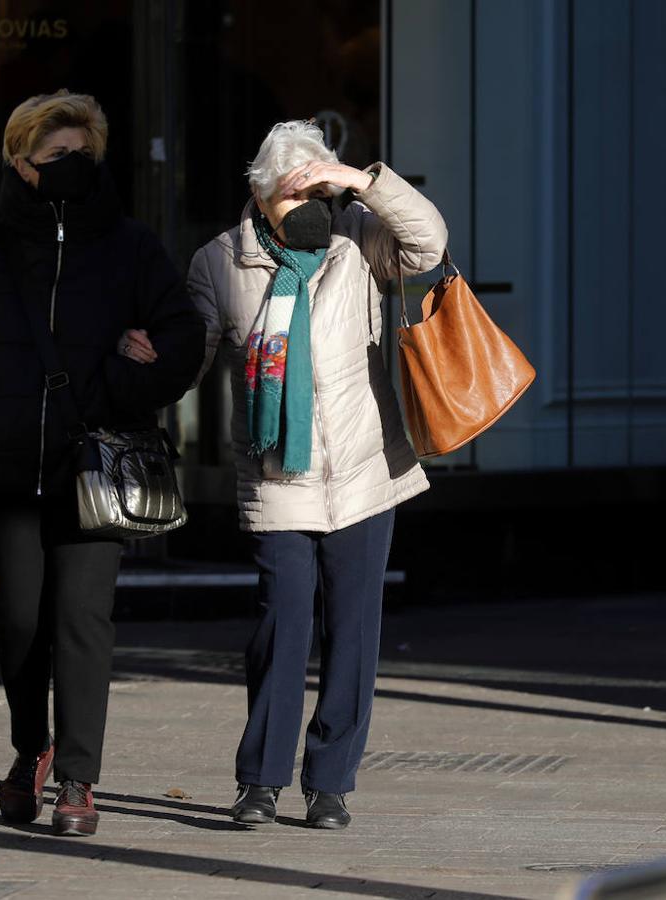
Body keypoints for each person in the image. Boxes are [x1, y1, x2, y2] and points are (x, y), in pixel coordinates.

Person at [0, 90, 206, 835]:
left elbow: (180, 341)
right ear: (22, 164)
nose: (73, 166)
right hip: (7, 465)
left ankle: (78, 779)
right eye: (57, 156)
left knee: (82, 619)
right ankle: (29, 748)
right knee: (18, 622)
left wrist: (121, 383)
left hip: (94, 466)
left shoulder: (131, 246)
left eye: (84, 154)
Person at [187, 120, 446, 828]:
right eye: (291, 191)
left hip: (366, 469)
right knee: (282, 622)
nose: (305, 203)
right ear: (260, 194)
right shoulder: (220, 261)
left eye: (316, 187)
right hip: (278, 476)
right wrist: (147, 356)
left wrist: (361, 182)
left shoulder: (357, 238)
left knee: (354, 630)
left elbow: (428, 242)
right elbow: (191, 354)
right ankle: (260, 781)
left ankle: (330, 782)